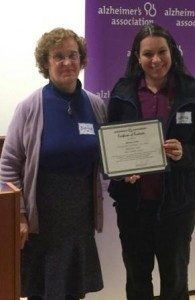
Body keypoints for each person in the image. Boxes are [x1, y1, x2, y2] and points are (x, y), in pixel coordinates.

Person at [107, 24, 195, 300]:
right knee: (137, 281)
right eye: (147, 54)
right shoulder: (122, 90)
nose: (156, 60)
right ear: (136, 57)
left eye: (162, 52)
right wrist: (122, 171)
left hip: (177, 207)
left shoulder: (191, 90)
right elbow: (109, 145)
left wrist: (185, 154)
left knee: (176, 281)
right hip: (133, 206)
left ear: (173, 52)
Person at [0, 27, 107, 300]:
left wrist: (126, 172)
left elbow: (106, 157)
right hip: (41, 217)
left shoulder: (96, 106)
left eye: (73, 55)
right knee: (42, 289)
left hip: (80, 214)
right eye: (58, 56)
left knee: (73, 289)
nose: (67, 62)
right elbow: (9, 165)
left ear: (82, 60)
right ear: (45, 63)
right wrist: (20, 214)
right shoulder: (29, 107)